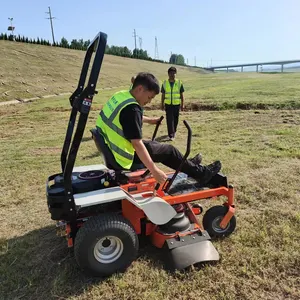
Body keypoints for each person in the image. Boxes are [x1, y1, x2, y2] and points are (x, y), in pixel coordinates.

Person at [96, 72, 221, 185]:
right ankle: (201, 173)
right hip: (123, 157)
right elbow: (137, 144)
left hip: (112, 147)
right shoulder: (132, 109)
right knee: (169, 150)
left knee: (156, 145)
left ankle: (186, 164)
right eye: (149, 97)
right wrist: (154, 170)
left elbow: (124, 119)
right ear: (140, 89)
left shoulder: (121, 96)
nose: (149, 101)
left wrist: (151, 120)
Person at [161, 66, 184, 141]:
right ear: (168, 74)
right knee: (169, 119)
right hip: (168, 105)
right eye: (171, 73)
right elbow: (163, 95)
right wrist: (162, 104)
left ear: (176, 74)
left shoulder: (179, 83)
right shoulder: (165, 83)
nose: (172, 75)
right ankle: (171, 135)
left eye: (174, 73)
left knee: (176, 119)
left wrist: (182, 104)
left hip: (176, 104)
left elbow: (181, 94)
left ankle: (174, 131)